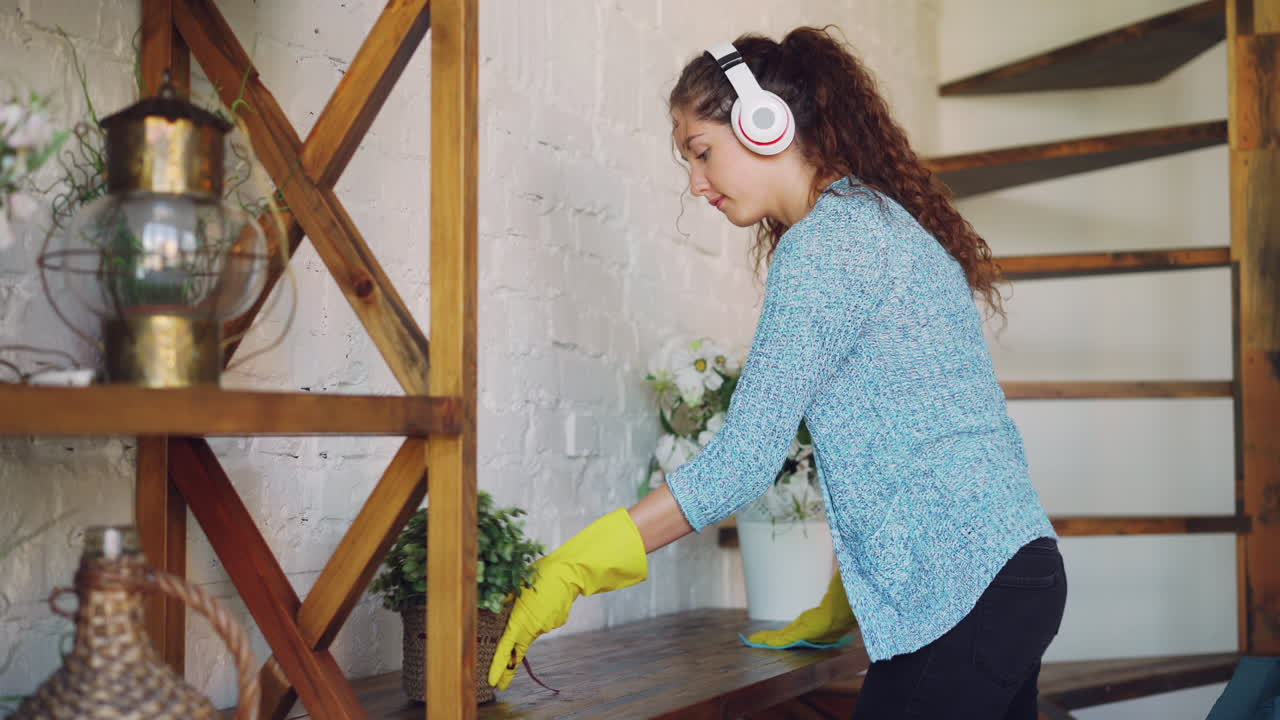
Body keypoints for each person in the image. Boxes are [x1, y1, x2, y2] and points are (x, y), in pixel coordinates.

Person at [488, 26, 1067, 720]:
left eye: (702, 152)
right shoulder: (871, 222)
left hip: (965, 590)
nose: (697, 184)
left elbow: (743, 461)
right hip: (1004, 571)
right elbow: (925, 431)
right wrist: (849, 594)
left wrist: (574, 568)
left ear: (766, 125)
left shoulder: (826, 246)